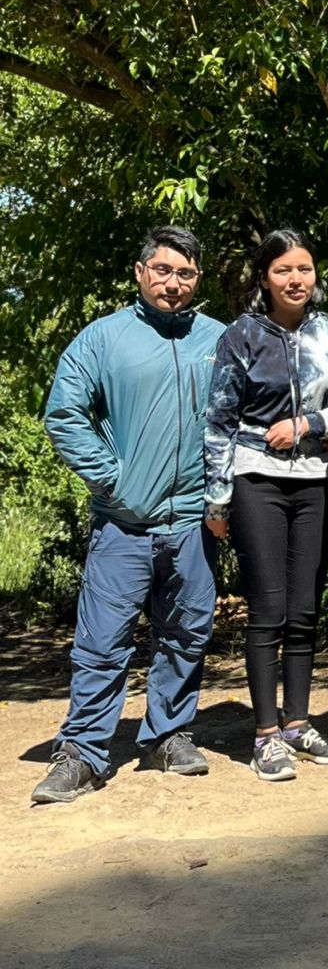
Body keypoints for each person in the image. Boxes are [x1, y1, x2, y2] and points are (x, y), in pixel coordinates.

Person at [32, 227, 226, 804]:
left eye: (185, 273)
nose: (173, 283)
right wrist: (114, 478)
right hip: (123, 523)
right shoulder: (103, 338)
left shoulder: (217, 338)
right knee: (101, 641)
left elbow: (240, 416)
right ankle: (83, 753)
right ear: (141, 272)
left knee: (187, 634)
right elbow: (64, 413)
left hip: (193, 521)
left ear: (197, 279)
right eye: (163, 270)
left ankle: (168, 735)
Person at [203, 230, 328, 782]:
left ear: (316, 275)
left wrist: (311, 424)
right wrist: (217, 498)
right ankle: (265, 735)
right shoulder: (241, 336)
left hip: (316, 477)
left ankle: (298, 722)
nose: (296, 280)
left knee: (305, 606)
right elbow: (218, 420)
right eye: (283, 270)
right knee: (268, 606)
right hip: (253, 478)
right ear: (264, 277)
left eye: (305, 269)